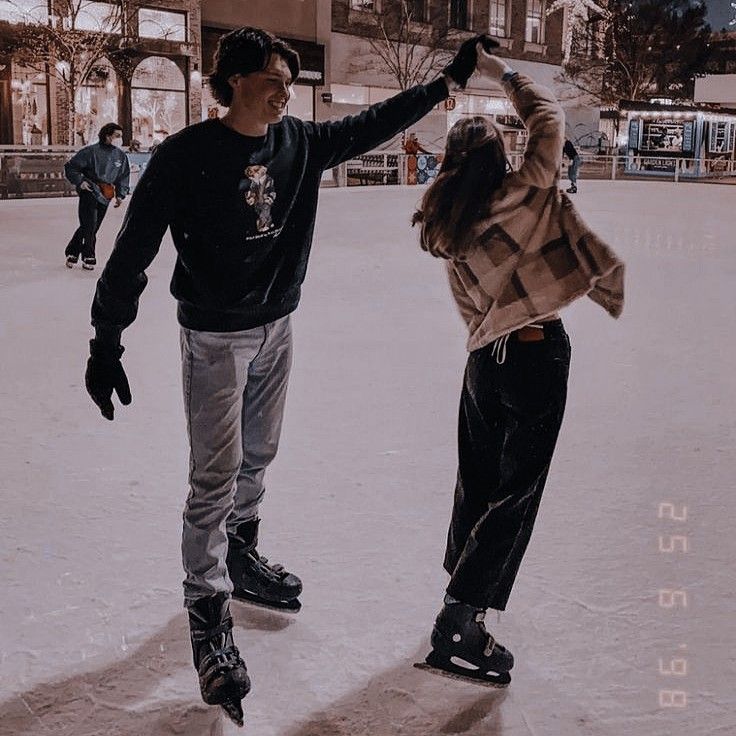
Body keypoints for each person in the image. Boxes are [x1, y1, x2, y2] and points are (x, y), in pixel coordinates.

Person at [83, 26, 489, 726]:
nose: (284, 90)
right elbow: (132, 253)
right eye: (273, 77)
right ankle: (208, 618)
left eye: (287, 81)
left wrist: (447, 83)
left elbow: (373, 124)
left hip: (277, 328)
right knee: (214, 475)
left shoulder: (299, 141)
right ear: (234, 79)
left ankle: (239, 554)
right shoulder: (184, 158)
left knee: (258, 456)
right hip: (213, 337)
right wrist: (106, 340)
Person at [412, 45, 624, 687]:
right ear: (500, 156)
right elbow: (549, 119)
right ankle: (461, 618)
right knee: (516, 490)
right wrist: (504, 72)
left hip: (484, 364)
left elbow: (467, 301)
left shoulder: (444, 215)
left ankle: (460, 588)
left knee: (475, 480)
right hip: (533, 355)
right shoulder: (527, 192)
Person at [64, 123, 130, 270]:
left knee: (92, 226)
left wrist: (120, 194)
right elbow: (71, 167)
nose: (120, 139)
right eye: (117, 136)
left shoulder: (120, 156)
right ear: (108, 136)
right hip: (90, 190)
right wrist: (80, 182)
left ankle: (72, 250)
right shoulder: (90, 152)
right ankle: (89, 255)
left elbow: (123, 175)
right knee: (89, 224)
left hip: (106, 194)